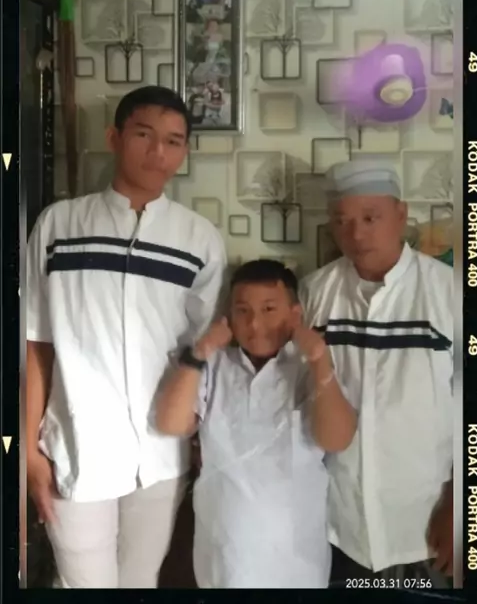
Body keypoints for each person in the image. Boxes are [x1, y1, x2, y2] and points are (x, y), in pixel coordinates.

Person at [26, 85, 227, 588]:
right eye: (143, 135)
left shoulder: (198, 239)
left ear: (184, 151)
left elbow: (204, 352)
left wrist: (202, 435)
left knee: (140, 580)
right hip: (77, 446)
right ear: (114, 137)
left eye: (173, 141)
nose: (158, 152)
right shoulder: (59, 225)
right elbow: (36, 343)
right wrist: (25, 446)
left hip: (162, 451)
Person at [156, 259, 357, 589]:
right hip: (223, 553)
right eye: (243, 311)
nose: (254, 323)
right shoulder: (215, 366)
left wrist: (320, 361)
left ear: (294, 314)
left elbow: (337, 439)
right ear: (229, 316)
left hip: (296, 557)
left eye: (269, 309)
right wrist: (201, 351)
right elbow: (171, 423)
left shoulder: (308, 369)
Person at [299, 159, 453, 588]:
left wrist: (463, 505)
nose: (356, 234)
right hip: (337, 526)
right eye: (342, 221)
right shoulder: (315, 294)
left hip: (426, 528)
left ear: (401, 215)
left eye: (371, 218)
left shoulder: (449, 292)